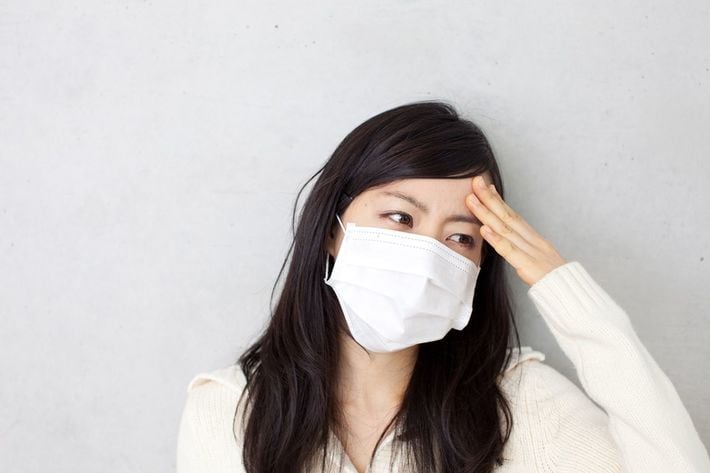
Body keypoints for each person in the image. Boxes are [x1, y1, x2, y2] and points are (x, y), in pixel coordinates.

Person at [176, 101, 709, 473]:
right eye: (401, 218)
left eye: (460, 237)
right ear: (333, 230)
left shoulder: (523, 403)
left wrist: (569, 296)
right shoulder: (230, 409)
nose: (428, 254)